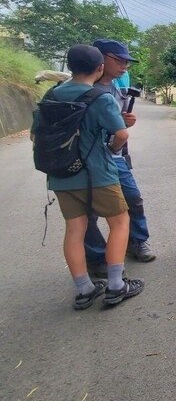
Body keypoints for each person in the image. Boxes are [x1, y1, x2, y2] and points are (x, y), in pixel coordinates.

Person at [42, 45, 144, 309]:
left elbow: (35, 135)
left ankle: (84, 289)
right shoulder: (100, 97)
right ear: (100, 68)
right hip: (98, 173)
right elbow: (121, 135)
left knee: (75, 229)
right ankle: (115, 285)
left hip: (62, 175)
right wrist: (110, 150)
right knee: (120, 222)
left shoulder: (51, 95)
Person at [84, 39, 156, 278]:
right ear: (100, 58)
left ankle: (137, 242)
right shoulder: (81, 88)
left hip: (114, 157)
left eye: (127, 61)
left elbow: (119, 126)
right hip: (88, 159)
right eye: (119, 60)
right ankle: (96, 257)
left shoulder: (117, 89)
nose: (125, 65)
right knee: (88, 210)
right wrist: (118, 135)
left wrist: (124, 123)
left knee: (133, 198)